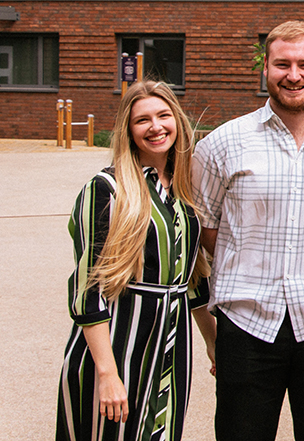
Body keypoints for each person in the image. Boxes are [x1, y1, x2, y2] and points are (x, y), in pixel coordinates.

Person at [192, 20, 304, 441]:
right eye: (282, 64)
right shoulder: (222, 144)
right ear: (266, 68)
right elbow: (206, 225)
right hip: (247, 324)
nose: (293, 75)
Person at [57, 80, 217, 441]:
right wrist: (107, 374)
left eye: (164, 115)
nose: (156, 127)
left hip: (171, 346)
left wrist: (212, 343)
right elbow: (87, 289)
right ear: (128, 130)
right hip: (117, 344)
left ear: (178, 120)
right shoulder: (105, 189)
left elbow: (193, 280)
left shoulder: (183, 190)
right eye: (142, 120)